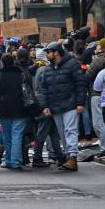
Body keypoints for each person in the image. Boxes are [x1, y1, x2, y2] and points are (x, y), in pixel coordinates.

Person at [39, 42, 87, 171]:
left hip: (70, 104)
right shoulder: (48, 69)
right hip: (55, 106)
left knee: (70, 130)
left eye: (48, 52)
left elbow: (81, 84)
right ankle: (68, 157)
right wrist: (45, 106)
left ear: (56, 52)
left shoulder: (72, 65)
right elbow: (44, 88)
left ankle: (72, 157)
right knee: (63, 133)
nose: (46, 55)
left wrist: (80, 103)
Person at [0, 54, 29, 170]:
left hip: (4, 108)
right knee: (17, 135)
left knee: (7, 135)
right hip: (20, 107)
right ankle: (16, 161)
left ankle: (8, 160)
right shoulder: (22, 74)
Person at [30, 48, 64, 167]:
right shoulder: (45, 70)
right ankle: (37, 157)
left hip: (45, 105)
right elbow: (45, 90)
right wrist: (46, 105)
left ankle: (60, 156)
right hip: (47, 105)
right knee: (43, 133)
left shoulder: (38, 70)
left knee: (53, 132)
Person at [86, 40, 105, 155]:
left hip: (97, 94)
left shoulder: (97, 60)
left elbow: (88, 76)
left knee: (98, 122)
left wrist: (87, 68)